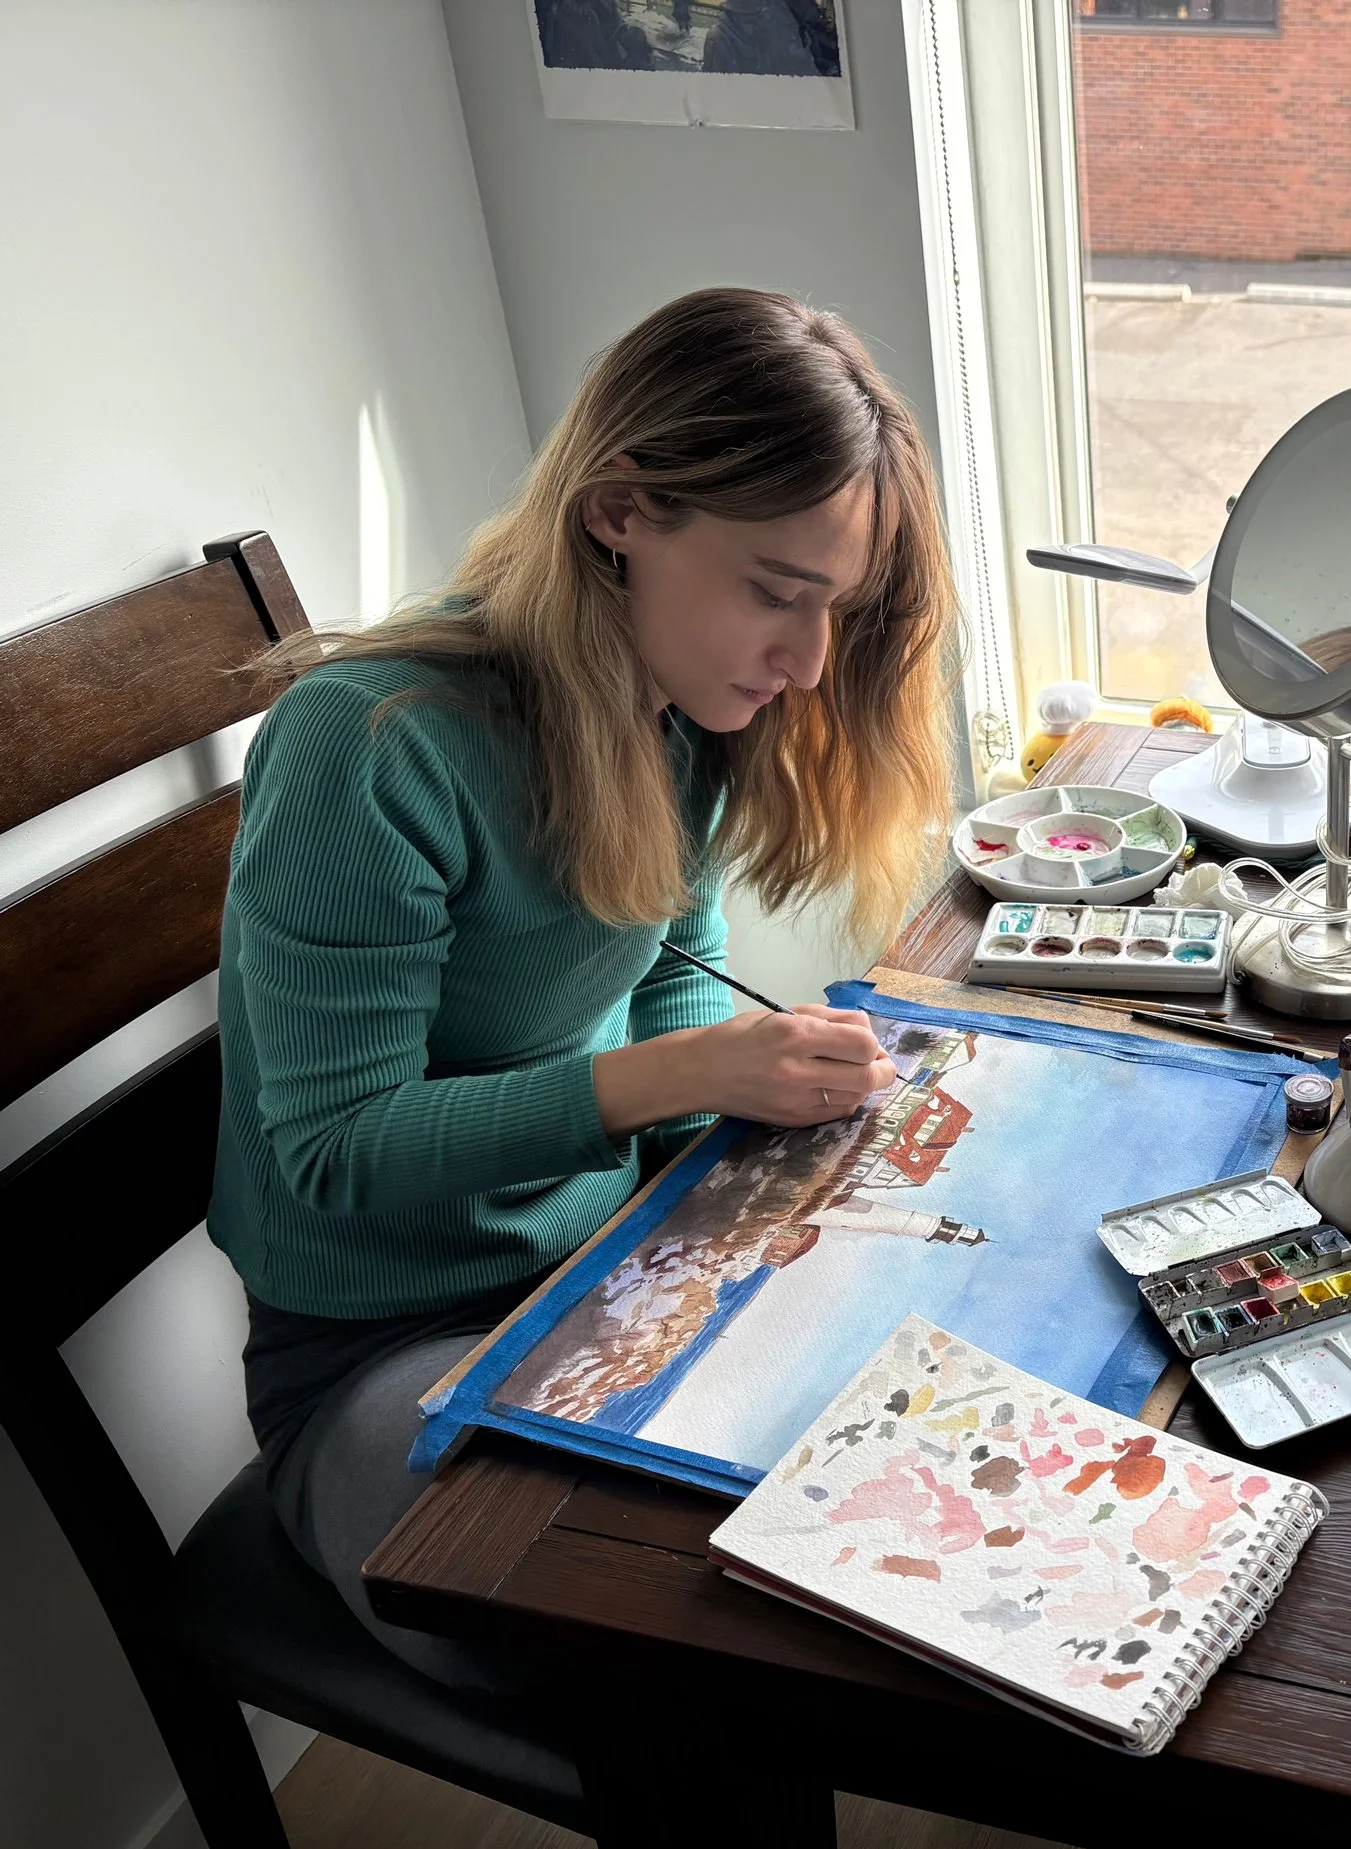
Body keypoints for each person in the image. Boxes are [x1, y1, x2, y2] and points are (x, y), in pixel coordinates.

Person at [209, 287, 954, 1688]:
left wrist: (756, 1187)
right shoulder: (367, 747)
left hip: (596, 1272)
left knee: (899, 1497)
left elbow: (666, 989)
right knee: (687, 1654)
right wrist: (689, 1082)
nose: (806, 664)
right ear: (621, 510)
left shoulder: (679, 709)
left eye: (834, 607)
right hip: (372, 1354)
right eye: (776, 592)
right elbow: (332, 1153)